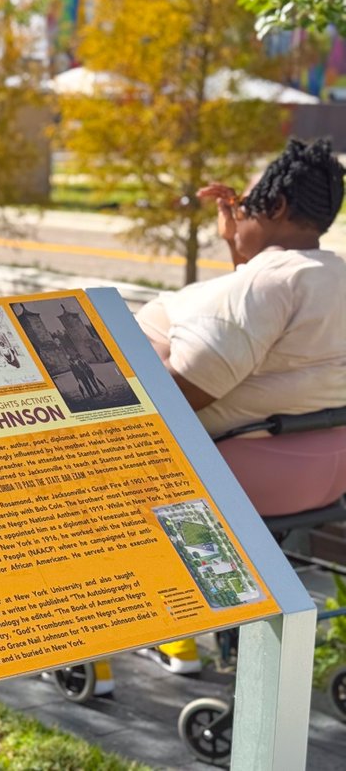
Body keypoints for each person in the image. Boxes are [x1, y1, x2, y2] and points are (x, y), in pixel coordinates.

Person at [133, 137, 346, 679]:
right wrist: (240, 247)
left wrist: (145, 349)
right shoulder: (328, 274)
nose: (235, 217)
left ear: (274, 207)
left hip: (233, 471)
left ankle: (164, 629)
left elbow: (186, 393)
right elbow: (254, 335)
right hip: (314, 472)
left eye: (246, 204)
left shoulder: (268, 284)